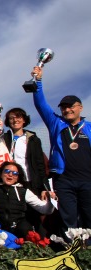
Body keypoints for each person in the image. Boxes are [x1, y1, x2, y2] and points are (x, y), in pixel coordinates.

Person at [31, 65, 91, 230]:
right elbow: (41, 104)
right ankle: (71, 251)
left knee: (89, 217)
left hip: (88, 179)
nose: (67, 109)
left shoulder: (89, 127)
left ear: (80, 107)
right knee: (69, 219)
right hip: (64, 180)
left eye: (71, 106)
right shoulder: (56, 123)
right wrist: (39, 81)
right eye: (63, 107)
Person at [0, 154, 55, 238]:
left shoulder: (24, 192)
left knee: (25, 229)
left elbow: (45, 210)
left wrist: (51, 199)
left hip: (19, 231)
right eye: (7, 171)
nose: (10, 175)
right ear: (1, 174)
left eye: (15, 173)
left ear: (18, 177)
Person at [0, 108, 47, 195]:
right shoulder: (3, 138)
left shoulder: (33, 139)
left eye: (18, 117)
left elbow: (40, 165)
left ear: (24, 120)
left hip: (30, 182)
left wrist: (44, 187)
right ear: (8, 121)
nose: (15, 120)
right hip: (10, 181)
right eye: (11, 118)